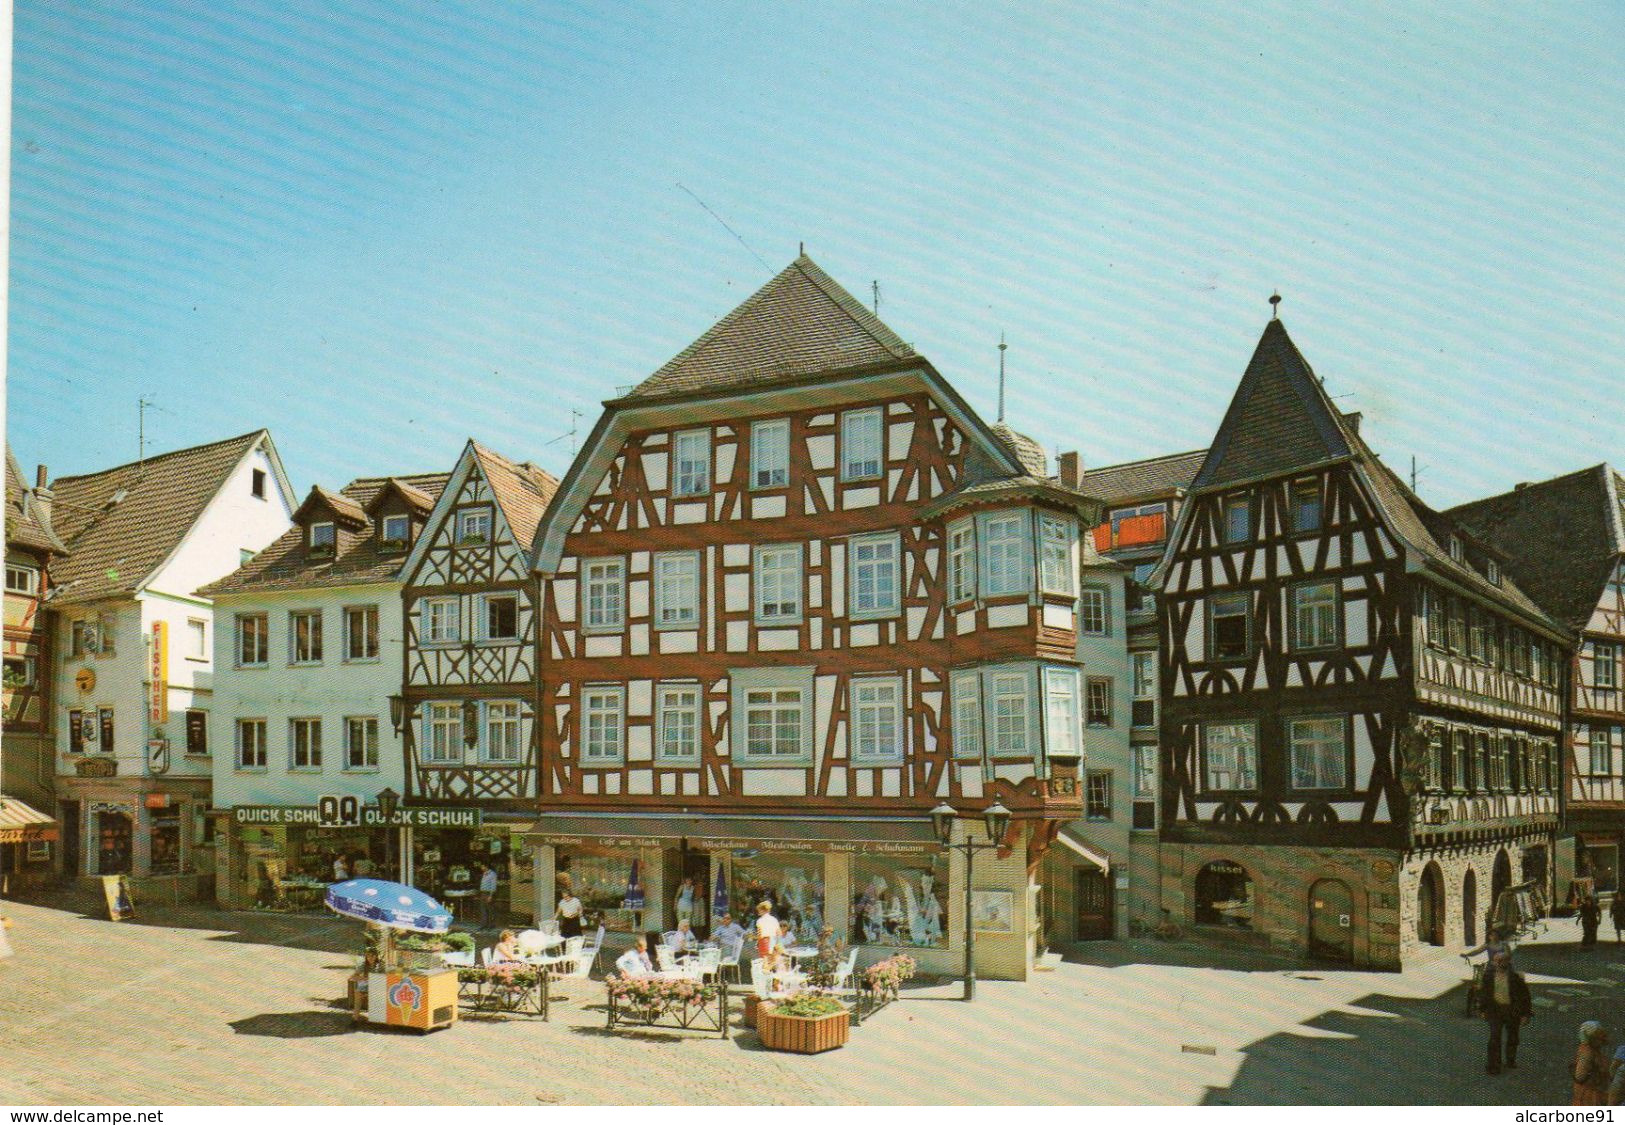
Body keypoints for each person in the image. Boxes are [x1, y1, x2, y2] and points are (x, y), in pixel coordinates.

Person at [1481, 951, 1532, 1074]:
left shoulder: (1516, 978)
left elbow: (1525, 996)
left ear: (1508, 961)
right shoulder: (1488, 977)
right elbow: (1484, 995)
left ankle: (1510, 1059)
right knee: (1494, 1038)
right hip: (1495, 1011)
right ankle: (1493, 1066)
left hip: (1512, 1011)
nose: (1498, 963)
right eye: (1495, 960)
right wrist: (1482, 1010)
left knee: (1513, 1037)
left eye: (1501, 960)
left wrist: (1525, 1014)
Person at [1575, 1022, 1611, 1105]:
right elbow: (1580, 1076)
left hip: (1597, 1096)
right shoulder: (1587, 1052)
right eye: (1598, 1037)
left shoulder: (1594, 1052)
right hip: (1590, 1098)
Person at [478, 863, 499, 929]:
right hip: (483, 893)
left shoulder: (492, 874)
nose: (481, 868)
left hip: (488, 893)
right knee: (483, 910)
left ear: (486, 866)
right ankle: (483, 925)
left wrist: (490, 896)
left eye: (482, 866)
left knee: (490, 910)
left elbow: (493, 886)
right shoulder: (484, 873)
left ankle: (491, 925)